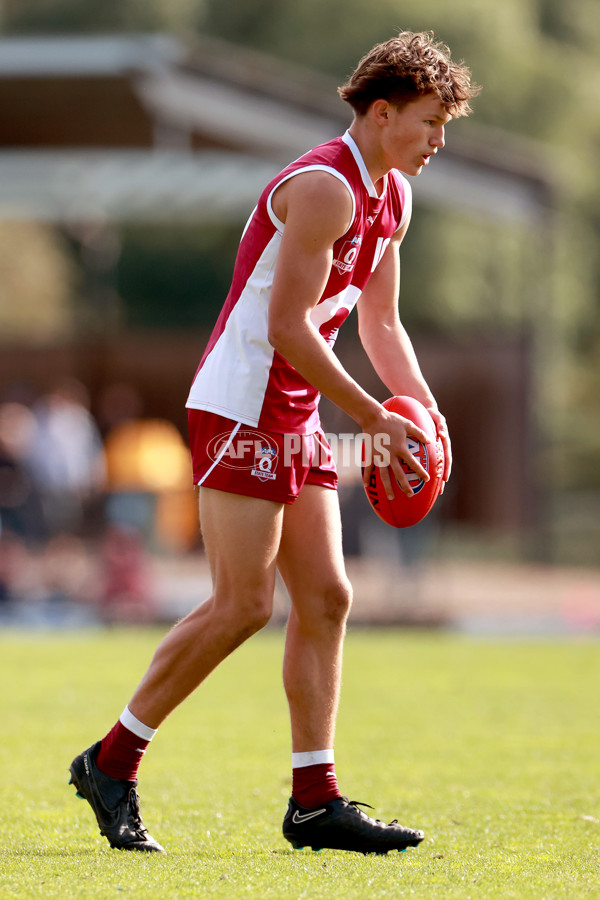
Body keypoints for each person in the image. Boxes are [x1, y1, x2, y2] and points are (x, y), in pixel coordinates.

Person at [69, 31, 479, 855]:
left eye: (444, 127)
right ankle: (111, 763)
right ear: (382, 112)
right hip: (242, 401)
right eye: (431, 123)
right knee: (244, 605)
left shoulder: (391, 195)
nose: (439, 141)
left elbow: (382, 322)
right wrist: (371, 416)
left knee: (326, 597)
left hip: (296, 407)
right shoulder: (327, 187)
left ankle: (314, 802)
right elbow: (289, 329)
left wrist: (423, 416)